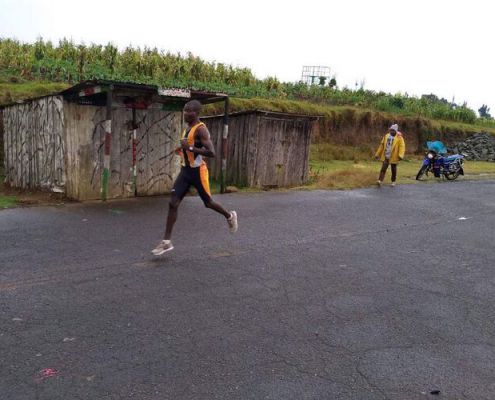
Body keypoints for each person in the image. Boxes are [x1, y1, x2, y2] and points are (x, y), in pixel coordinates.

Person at [152, 100, 238, 255]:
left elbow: (211, 152)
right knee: (173, 203)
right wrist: (182, 150)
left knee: (208, 203)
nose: (185, 113)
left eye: (188, 111)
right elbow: (188, 148)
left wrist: (189, 148)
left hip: (198, 171)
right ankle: (166, 242)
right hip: (186, 171)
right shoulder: (187, 129)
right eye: (184, 110)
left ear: (196, 113)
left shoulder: (201, 130)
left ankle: (229, 215)